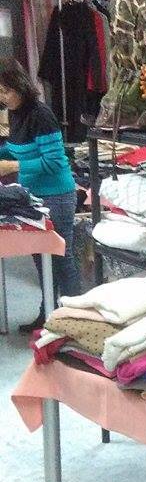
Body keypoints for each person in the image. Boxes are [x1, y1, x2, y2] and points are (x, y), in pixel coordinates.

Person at [0, 57, 82, 331]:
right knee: (40, 258)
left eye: (5, 91)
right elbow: (19, 148)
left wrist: (13, 166)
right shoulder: (16, 113)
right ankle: (47, 313)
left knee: (61, 258)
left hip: (57, 195)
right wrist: (4, 154)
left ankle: (76, 319)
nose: (2, 97)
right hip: (32, 196)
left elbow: (54, 162)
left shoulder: (41, 114)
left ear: (19, 85)